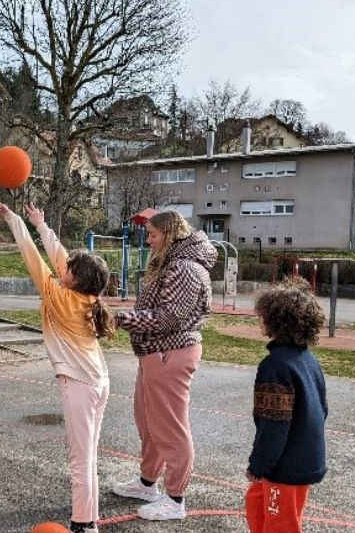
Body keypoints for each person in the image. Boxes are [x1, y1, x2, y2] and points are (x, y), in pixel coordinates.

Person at [0, 201, 115, 533]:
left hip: (81, 386)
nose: (63, 268)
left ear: (75, 279)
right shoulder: (86, 296)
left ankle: (83, 524)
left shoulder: (61, 298)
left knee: (80, 461)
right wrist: (40, 225)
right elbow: (59, 257)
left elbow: (33, 257)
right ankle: (89, 520)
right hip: (97, 381)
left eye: (69, 269)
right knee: (88, 457)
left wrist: (13, 219)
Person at [110, 210, 217, 521]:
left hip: (171, 353)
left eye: (153, 234)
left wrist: (120, 319)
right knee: (148, 421)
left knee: (170, 427)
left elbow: (168, 318)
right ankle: (147, 483)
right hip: (156, 353)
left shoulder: (184, 267)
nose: (149, 240)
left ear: (169, 234)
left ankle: (175, 498)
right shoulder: (173, 262)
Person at [245, 278, 328, 533]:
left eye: (263, 315)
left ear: (276, 320)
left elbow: (274, 424)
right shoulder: (307, 360)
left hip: (286, 465)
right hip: (299, 458)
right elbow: (322, 409)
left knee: (280, 524)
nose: (259, 318)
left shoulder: (275, 367)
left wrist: (259, 465)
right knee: (256, 503)